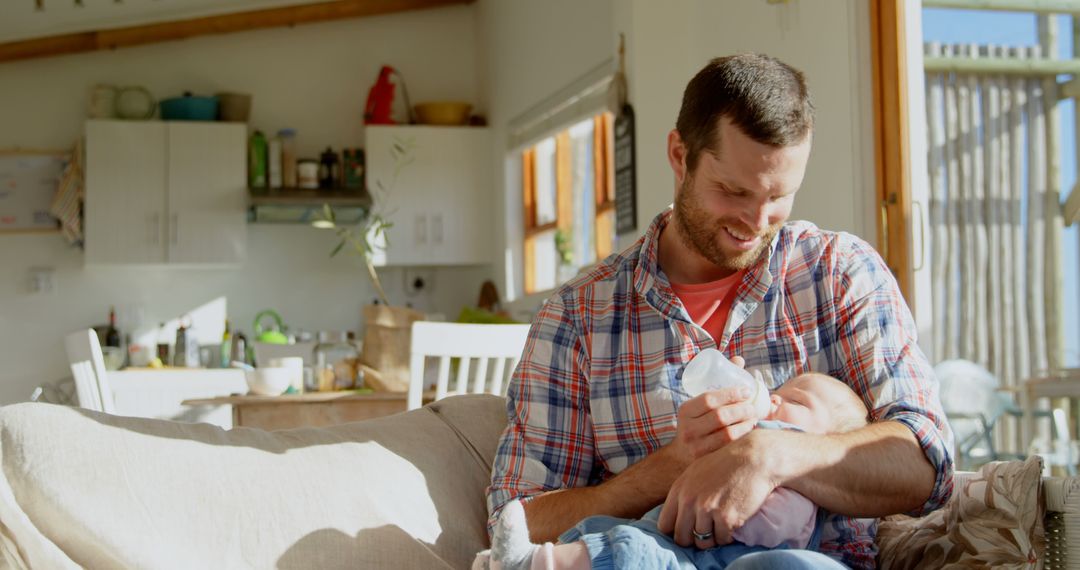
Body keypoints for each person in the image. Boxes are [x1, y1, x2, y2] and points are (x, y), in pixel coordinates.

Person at [486, 52, 953, 570]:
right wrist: (672, 467)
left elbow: (925, 466)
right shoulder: (578, 317)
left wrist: (770, 455)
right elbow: (521, 520)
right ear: (679, 155)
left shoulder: (839, 273)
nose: (755, 221)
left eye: (779, 196)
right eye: (733, 190)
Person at [478, 373, 870, 569]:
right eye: (779, 390)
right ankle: (519, 559)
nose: (774, 398)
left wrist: (756, 464)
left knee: (634, 555)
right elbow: (515, 507)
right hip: (661, 529)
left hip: (700, 560)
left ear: (825, 439)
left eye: (795, 400)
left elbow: (764, 527)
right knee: (602, 528)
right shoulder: (575, 313)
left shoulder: (803, 494)